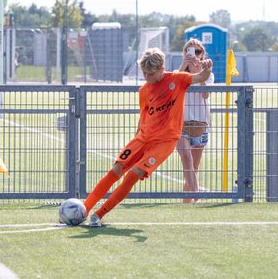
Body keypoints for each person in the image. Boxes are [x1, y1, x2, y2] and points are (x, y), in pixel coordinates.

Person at [83, 47, 212, 227]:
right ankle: (84, 208)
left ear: (161, 69)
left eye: (150, 74)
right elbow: (143, 115)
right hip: (143, 138)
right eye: (144, 73)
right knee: (116, 169)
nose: (147, 77)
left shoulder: (177, 79)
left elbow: (201, 78)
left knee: (133, 174)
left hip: (164, 142)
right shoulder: (144, 89)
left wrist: (207, 68)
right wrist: (136, 139)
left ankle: (98, 214)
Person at [177, 38, 215, 203]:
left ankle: (186, 204)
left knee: (194, 167)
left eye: (197, 52)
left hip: (200, 123)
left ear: (202, 54)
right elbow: (172, 88)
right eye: (190, 51)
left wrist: (202, 73)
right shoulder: (179, 73)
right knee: (187, 161)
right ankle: (197, 198)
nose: (194, 55)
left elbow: (205, 94)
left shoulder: (209, 73)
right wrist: (184, 67)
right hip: (181, 123)